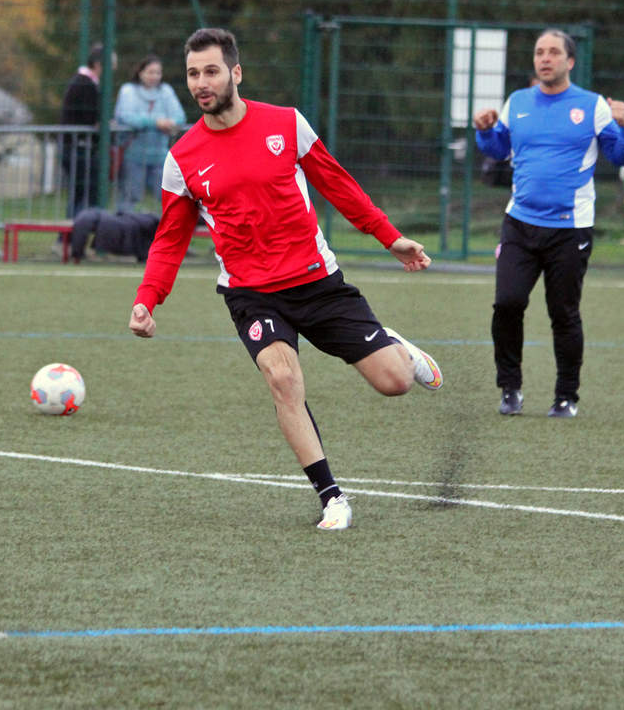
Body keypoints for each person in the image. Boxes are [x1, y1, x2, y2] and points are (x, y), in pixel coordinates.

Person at [127, 27, 443, 531]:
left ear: (235, 72)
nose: (201, 83)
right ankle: (331, 497)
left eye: (211, 71)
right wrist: (149, 299)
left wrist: (390, 237)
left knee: (395, 383)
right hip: (250, 294)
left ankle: (397, 349)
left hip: (317, 282)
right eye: (192, 74)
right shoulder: (182, 157)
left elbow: (337, 184)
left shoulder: (285, 124)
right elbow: (170, 238)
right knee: (283, 379)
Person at [473, 29, 624, 419]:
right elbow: (498, 150)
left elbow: (621, 155)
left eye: (553, 52)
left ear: (570, 61)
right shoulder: (518, 103)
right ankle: (510, 388)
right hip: (520, 224)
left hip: (570, 229)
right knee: (507, 304)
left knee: (563, 314)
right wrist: (484, 130)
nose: (544, 58)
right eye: (539, 52)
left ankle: (566, 397)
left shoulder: (593, 106)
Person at [113, 54, 186, 211]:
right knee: (130, 196)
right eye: (150, 72)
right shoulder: (128, 91)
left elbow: (179, 116)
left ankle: (167, 231)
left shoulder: (166, 91)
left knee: (169, 197)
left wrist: (171, 123)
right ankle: (124, 229)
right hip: (133, 155)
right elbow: (126, 116)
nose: (154, 76)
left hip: (159, 155)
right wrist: (155, 122)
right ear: (140, 72)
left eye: (157, 73)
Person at [60, 43, 115, 219]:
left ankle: (68, 239)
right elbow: (91, 119)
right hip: (79, 148)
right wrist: (105, 123)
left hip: (77, 147)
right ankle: (74, 236)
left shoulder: (82, 81)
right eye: (110, 68)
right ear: (99, 65)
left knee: (79, 194)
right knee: (86, 194)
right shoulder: (86, 84)